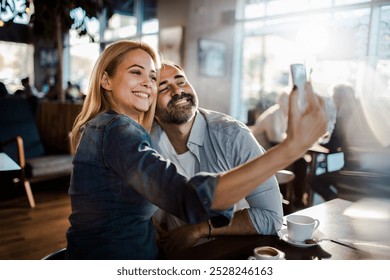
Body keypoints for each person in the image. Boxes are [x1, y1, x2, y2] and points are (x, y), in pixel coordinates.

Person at [66, 40, 327, 260]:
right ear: (105, 81)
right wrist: (290, 148)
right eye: (137, 72)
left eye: (151, 76)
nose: (148, 83)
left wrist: (151, 227)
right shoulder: (120, 131)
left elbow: (117, 203)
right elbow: (187, 198)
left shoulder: (109, 129)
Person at [150, 61, 283, 254]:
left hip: (231, 252)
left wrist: (199, 230)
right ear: (150, 104)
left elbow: (271, 218)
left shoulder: (233, 136)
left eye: (181, 81)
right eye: (163, 87)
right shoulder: (146, 142)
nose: (177, 91)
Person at [307, 84, 389, 201]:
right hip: (377, 173)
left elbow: (333, 147)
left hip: (352, 172)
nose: (334, 103)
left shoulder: (343, 117)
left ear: (339, 99)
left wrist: (316, 140)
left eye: (334, 99)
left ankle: (336, 202)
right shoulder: (368, 118)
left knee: (313, 179)